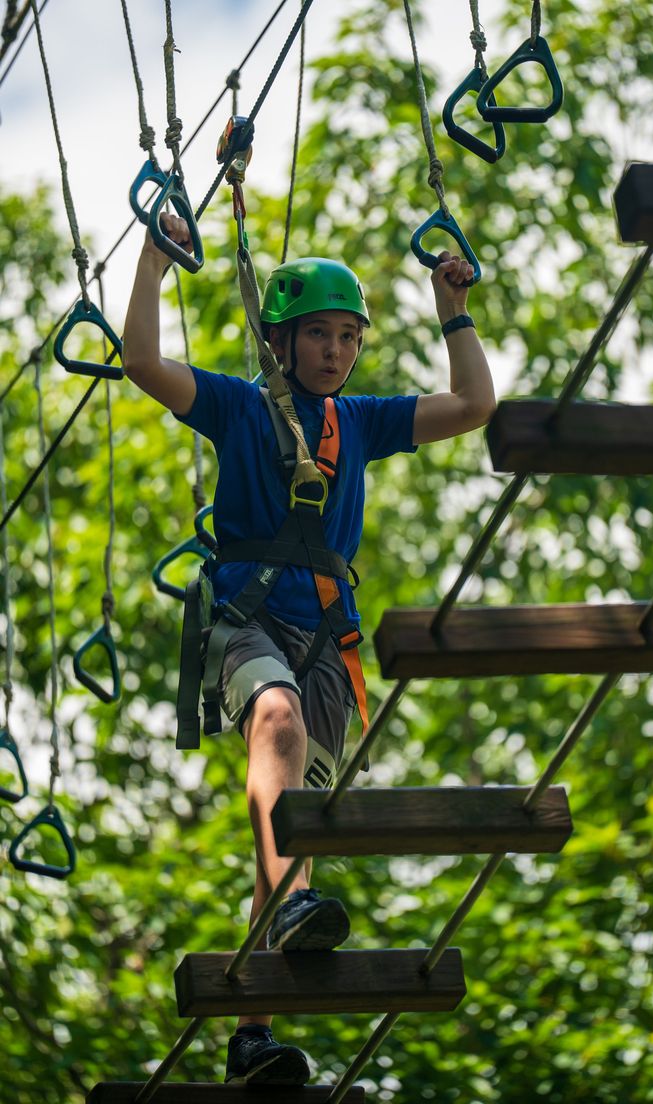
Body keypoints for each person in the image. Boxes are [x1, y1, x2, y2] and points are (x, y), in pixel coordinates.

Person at [122, 213, 495, 1086]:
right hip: (248, 619)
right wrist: (149, 260)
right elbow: (142, 362)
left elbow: (475, 406)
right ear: (280, 338)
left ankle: (253, 1035)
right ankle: (290, 911)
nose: (335, 350)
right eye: (320, 334)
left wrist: (453, 312)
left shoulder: (360, 423)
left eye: (349, 336)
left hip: (325, 632)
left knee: (289, 831)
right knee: (276, 721)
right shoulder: (239, 405)